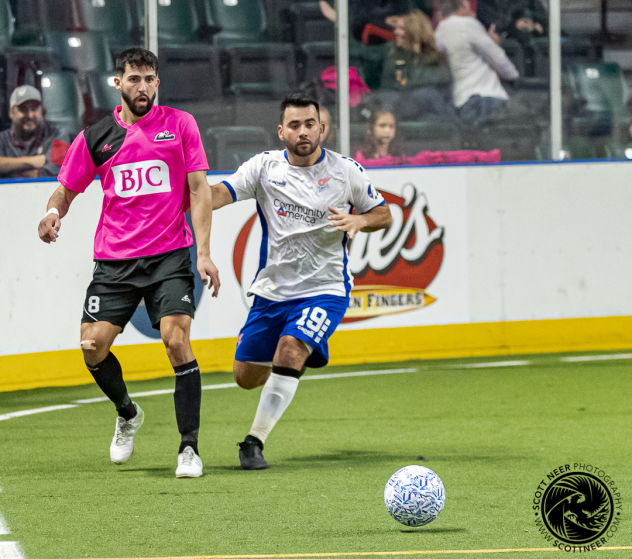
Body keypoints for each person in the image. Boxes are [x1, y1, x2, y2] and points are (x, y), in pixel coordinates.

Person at [37, 48, 220, 479]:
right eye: (134, 79)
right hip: (115, 262)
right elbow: (66, 189)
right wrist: (51, 213)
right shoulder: (96, 136)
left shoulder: (180, 125)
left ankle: (189, 448)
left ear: (158, 82)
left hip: (170, 257)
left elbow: (199, 190)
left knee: (176, 341)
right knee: (92, 347)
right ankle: (127, 413)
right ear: (117, 83)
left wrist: (205, 253)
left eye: (150, 79)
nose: (143, 87)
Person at [209, 93, 392, 470]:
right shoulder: (264, 168)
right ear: (281, 131)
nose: (303, 131)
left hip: (325, 289)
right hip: (272, 291)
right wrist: (184, 188)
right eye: (294, 125)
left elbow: (384, 214)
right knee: (246, 377)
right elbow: (216, 195)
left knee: (290, 349)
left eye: (310, 124)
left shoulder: (346, 171)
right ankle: (305, 351)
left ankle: (253, 442)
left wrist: (361, 220)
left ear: (322, 127)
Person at [435, 0, 519, 123]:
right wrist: (513, 75)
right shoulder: (467, 24)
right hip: (486, 100)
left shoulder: (439, 31)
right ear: (463, 5)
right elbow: (498, 59)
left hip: (460, 100)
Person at [379, 10, 457, 123]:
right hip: (398, 121)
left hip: (431, 123)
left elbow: (431, 97)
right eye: (396, 28)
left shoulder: (434, 60)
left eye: (402, 28)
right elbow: (387, 92)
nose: (396, 32)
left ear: (415, 32)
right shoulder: (393, 57)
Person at [0, 85, 71, 179]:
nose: (30, 115)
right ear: (11, 112)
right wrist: (34, 161)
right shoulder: (2, 139)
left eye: (34, 108)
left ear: (42, 110)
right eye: (23, 109)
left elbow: (59, 167)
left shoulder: (58, 134)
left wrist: (10, 170)